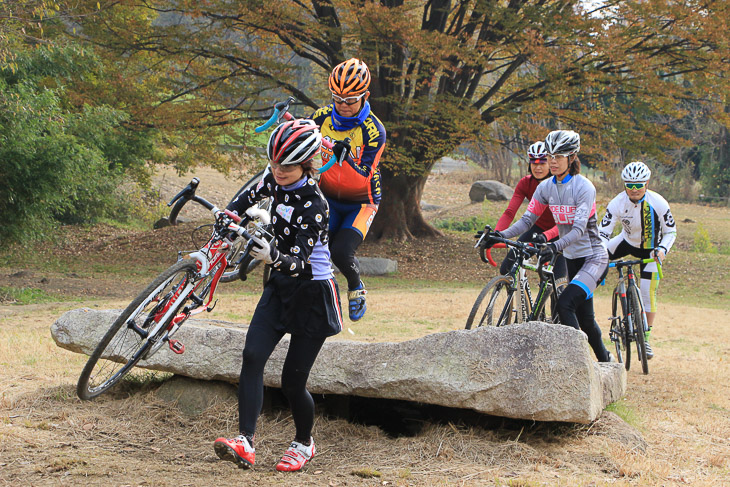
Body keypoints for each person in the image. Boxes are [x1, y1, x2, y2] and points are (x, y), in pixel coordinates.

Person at [214, 119, 343, 472]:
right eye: (273, 164)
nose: (277, 172)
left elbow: (299, 263)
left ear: (306, 164)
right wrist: (226, 219)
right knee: (252, 355)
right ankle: (245, 440)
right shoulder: (272, 177)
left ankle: (304, 442)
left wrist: (272, 256)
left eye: (286, 166)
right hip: (280, 286)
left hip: (312, 292)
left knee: (291, 382)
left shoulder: (315, 205)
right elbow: (241, 202)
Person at [481, 130, 612, 362]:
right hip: (571, 258)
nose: (552, 161)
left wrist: (554, 246)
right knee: (586, 319)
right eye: (550, 156)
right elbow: (526, 221)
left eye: (558, 156)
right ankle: (606, 360)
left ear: (571, 158)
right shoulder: (546, 187)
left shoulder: (584, 187)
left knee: (565, 305)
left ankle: (577, 365)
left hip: (593, 258)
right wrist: (499, 236)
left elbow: (578, 229)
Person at [310, 57, 387, 322]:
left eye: (350, 100)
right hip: (328, 196)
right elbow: (303, 141)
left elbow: (364, 174)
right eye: (337, 98)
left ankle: (356, 285)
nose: (342, 105)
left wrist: (349, 158)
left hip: (361, 202)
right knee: (315, 245)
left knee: (341, 251)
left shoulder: (374, 130)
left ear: (365, 96)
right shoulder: (321, 117)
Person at [598, 161, 677, 359]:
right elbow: (603, 232)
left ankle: (646, 338)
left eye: (638, 185)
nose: (634, 189)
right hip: (625, 242)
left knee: (647, 294)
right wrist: (599, 254)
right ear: (624, 185)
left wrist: (662, 249)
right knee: (596, 256)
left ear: (647, 183)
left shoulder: (658, 202)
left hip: (651, 251)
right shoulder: (617, 202)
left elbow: (671, 231)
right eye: (630, 185)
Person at [490, 141, 567, 280]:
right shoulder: (525, 183)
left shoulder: (561, 186)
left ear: (550, 163)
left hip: (560, 232)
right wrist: (498, 234)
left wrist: (547, 237)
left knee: (557, 281)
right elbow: (510, 212)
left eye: (542, 163)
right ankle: (519, 292)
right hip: (537, 230)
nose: (538, 168)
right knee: (507, 268)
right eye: (534, 163)